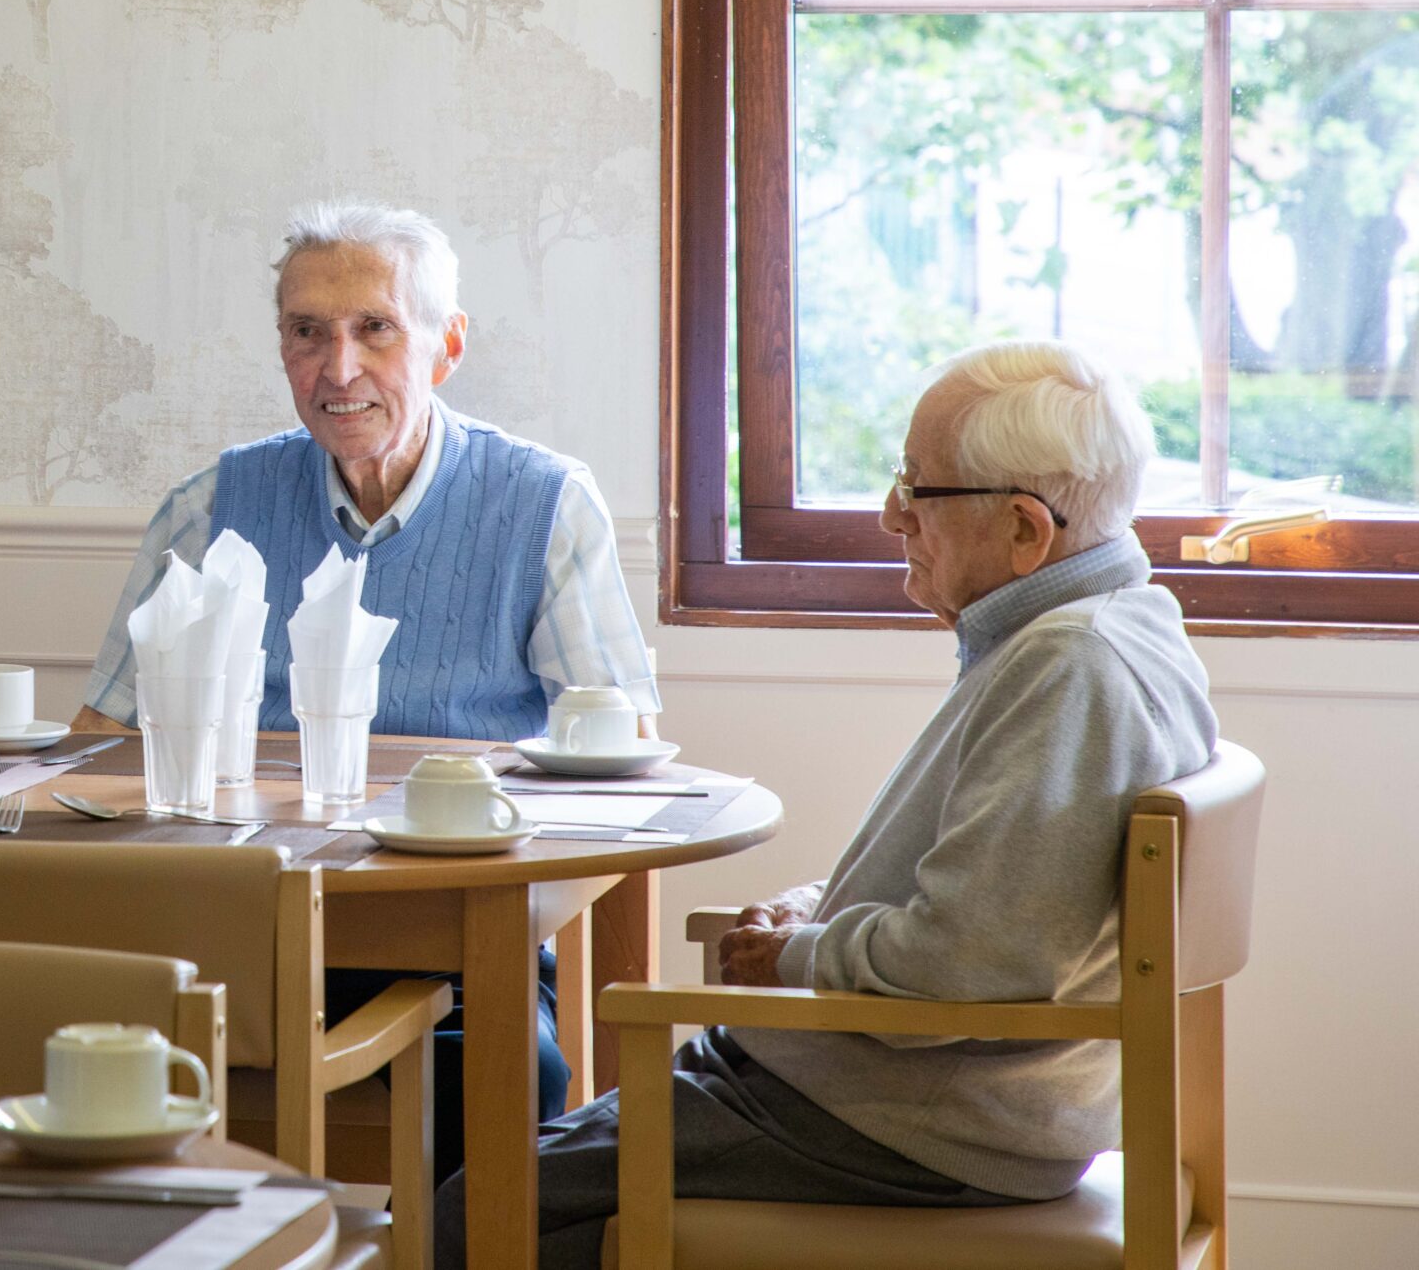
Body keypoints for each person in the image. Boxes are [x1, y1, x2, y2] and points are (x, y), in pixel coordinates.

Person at [436, 340, 1218, 1269]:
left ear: (1023, 529)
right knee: (491, 1182)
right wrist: (815, 911)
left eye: (918, 488)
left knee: (476, 1210)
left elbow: (973, 963)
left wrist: (794, 956)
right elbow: (990, 890)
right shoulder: (1112, 627)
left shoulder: (1070, 666)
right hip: (884, 1093)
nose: (892, 514)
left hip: (904, 1121)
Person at [79, 201, 660, 1172]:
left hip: (456, 933)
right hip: (227, 933)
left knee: (510, 1070)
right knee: (23, 1015)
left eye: (374, 329)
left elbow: (619, 749)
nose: (337, 368)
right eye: (307, 332)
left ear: (447, 346)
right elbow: (99, 746)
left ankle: (454, 1236)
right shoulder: (211, 507)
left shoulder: (543, 503)